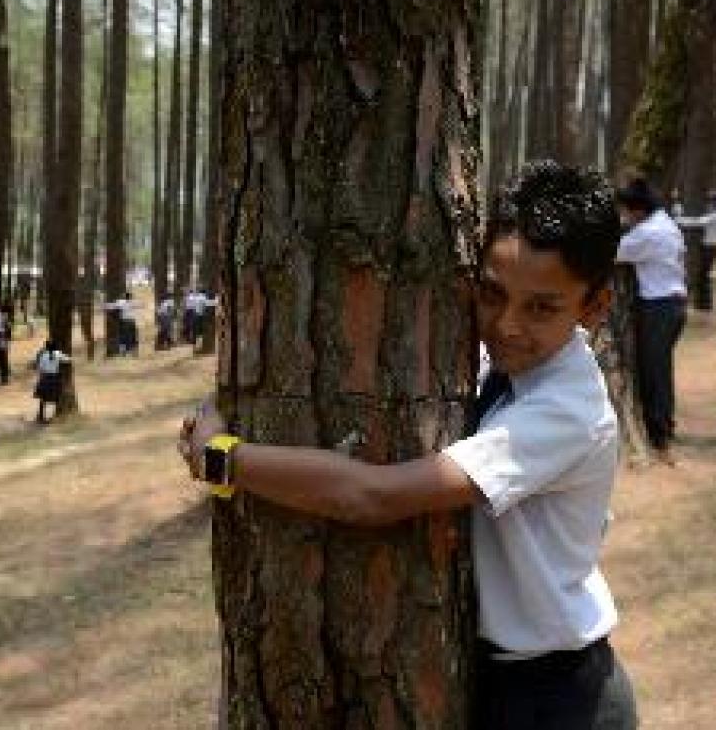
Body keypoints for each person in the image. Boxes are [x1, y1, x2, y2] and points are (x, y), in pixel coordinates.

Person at [178, 161, 638, 730]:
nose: (508, 325)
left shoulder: (568, 411)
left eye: (542, 307)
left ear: (593, 308)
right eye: (493, 294)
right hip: (501, 680)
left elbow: (374, 497)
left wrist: (223, 457)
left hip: (559, 699)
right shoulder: (503, 362)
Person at [615, 177, 687, 464]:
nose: (625, 217)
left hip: (658, 307)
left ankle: (660, 439)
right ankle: (663, 432)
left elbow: (613, 253)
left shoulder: (647, 234)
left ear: (639, 210)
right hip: (673, 305)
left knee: (654, 375)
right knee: (661, 372)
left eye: (627, 211)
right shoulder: (666, 224)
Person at [675, 190, 716, 311]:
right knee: (703, 274)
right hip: (708, 246)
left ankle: (705, 303)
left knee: (703, 274)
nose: (709, 204)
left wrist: (678, 220)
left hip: (710, 246)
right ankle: (703, 302)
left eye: (711, 201)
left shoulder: (714, 215)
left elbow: (697, 222)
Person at [31, 338, 71, 424]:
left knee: (43, 398)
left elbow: (39, 368)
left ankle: (41, 416)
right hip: (55, 378)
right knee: (56, 396)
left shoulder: (43, 355)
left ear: (46, 347)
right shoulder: (57, 354)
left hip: (45, 378)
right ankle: (56, 415)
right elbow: (68, 360)